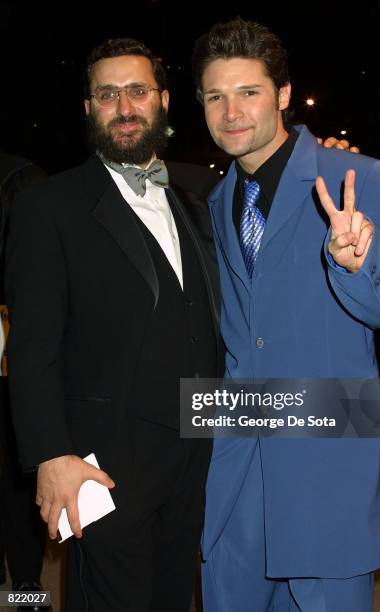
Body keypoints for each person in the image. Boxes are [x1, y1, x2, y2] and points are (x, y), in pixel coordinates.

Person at [191, 18, 380, 612]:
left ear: (284, 95)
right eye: (215, 96)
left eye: (249, 92)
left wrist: (361, 260)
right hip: (235, 472)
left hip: (326, 463)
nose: (231, 112)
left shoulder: (356, 177)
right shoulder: (215, 204)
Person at [5, 38, 223, 611]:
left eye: (137, 91)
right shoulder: (48, 208)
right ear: (88, 108)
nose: (124, 107)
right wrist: (50, 455)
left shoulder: (198, 193)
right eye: (107, 94)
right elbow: (32, 348)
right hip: (104, 462)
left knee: (176, 596)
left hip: (197, 451)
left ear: (164, 100)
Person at [0, 150, 50, 610]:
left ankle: (27, 590)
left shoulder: (20, 178)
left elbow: (31, 282)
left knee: (17, 479)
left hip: (9, 359)